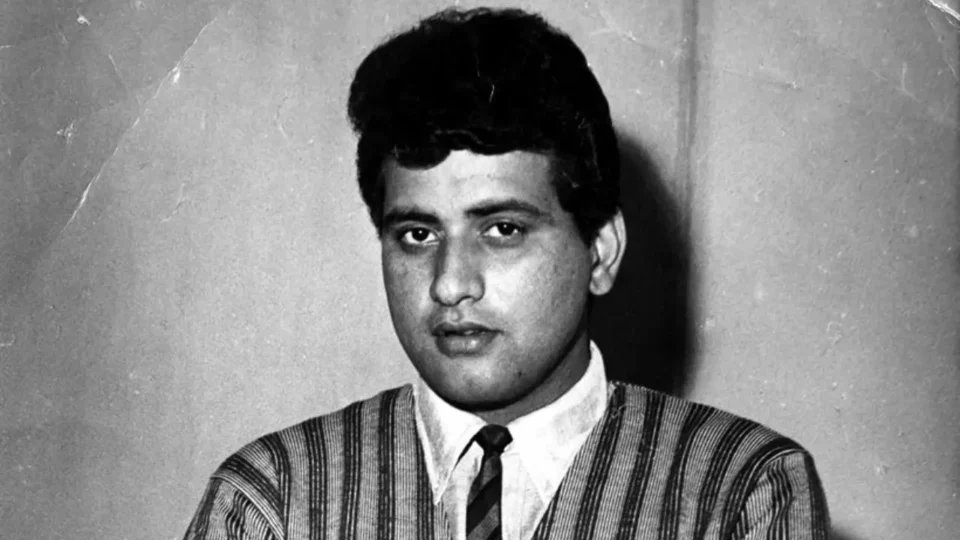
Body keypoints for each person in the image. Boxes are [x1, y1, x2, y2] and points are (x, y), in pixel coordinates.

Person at [183, 7, 829, 540]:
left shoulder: (741, 491)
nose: (450, 284)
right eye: (417, 234)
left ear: (601, 251)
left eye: (503, 230)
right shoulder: (273, 500)